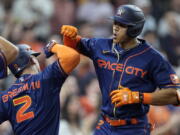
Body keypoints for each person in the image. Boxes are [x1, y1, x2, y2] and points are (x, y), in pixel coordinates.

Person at [60, 4, 180, 135]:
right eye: (115, 23)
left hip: (133, 127)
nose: (115, 27)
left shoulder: (153, 58)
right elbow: (75, 45)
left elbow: (175, 95)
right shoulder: (101, 45)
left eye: (122, 25)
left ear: (134, 29)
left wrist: (138, 96)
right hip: (105, 124)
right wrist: (69, 36)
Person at [0, 42, 80, 135]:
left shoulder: (5, 97)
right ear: (32, 60)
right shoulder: (45, 79)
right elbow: (72, 56)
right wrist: (52, 46)